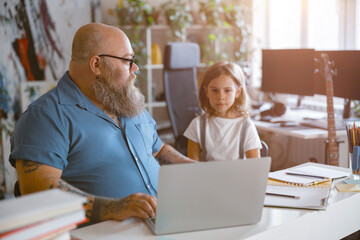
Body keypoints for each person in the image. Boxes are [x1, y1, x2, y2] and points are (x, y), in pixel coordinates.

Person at [9, 23, 195, 224]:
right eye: (127, 60)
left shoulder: (126, 100)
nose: (135, 68)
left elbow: (158, 151)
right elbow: (38, 190)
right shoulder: (46, 116)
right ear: (96, 65)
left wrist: (200, 171)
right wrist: (113, 208)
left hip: (166, 221)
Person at [184, 61, 261, 161]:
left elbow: (255, 170)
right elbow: (192, 169)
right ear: (206, 91)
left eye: (227, 90)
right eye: (214, 90)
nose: (220, 97)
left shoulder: (246, 127)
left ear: (238, 92)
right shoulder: (197, 125)